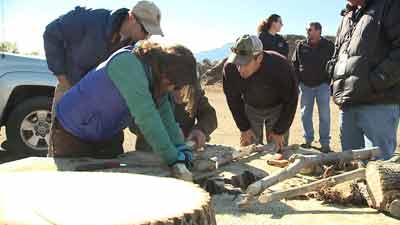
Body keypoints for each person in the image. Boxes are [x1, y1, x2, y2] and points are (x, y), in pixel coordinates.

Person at [50, 41, 197, 180]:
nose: (174, 90)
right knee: (74, 189)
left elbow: (166, 118)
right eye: (176, 85)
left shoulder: (156, 79)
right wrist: (172, 158)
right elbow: (147, 118)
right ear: (167, 72)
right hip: (71, 131)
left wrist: (181, 148)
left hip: (103, 133)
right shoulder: (128, 64)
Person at [43, 1, 163, 155]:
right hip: (71, 92)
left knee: (109, 158)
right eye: (146, 30)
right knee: (64, 153)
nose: (148, 36)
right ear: (132, 18)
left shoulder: (136, 49)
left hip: (107, 108)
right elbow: (51, 33)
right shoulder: (91, 19)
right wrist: (63, 78)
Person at [327, 0, 400, 160]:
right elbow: (338, 53)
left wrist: (376, 81)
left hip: (379, 102)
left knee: (380, 169)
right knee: (351, 167)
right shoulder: (347, 16)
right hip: (348, 102)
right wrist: (334, 82)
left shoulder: (389, 5)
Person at [131, 45, 218, 151]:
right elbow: (134, 124)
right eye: (176, 86)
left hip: (183, 151)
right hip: (150, 155)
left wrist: (200, 130)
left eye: (186, 85)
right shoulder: (149, 90)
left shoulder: (193, 91)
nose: (181, 92)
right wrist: (166, 131)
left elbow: (209, 114)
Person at [223, 34, 298, 150]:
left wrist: (280, 130)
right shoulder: (230, 68)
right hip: (250, 107)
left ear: (259, 57)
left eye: (245, 63)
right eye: (238, 62)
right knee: (249, 150)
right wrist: (244, 128)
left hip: (277, 109)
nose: (240, 69)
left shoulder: (281, 66)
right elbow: (233, 100)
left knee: (277, 150)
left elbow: (291, 100)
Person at [292, 22, 334, 152]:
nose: (308, 32)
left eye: (310, 30)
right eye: (307, 30)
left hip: (323, 85)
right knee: (305, 115)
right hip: (306, 86)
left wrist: (330, 80)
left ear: (318, 31)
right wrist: (298, 81)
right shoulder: (301, 45)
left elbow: (335, 62)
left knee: (325, 115)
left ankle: (325, 143)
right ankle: (308, 140)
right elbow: (295, 63)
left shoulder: (329, 46)